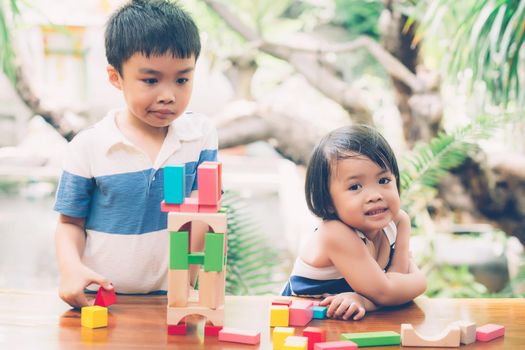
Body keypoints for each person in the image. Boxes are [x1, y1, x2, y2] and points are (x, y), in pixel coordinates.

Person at [54, 0, 217, 308]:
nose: (168, 95)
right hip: (100, 300)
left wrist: (187, 287)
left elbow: (203, 217)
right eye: (151, 80)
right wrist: (70, 270)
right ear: (116, 77)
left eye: (182, 79)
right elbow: (69, 223)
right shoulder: (88, 146)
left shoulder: (201, 136)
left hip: (172, 301)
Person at [282, 125, 426, 320]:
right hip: (305, 324)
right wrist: (418, 279)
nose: (375, 195)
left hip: (356, 324)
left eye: (383, 180)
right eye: (355, 186)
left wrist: (365, 301)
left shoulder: (398, 222)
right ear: (329, 201)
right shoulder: (334, 233)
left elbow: (396, 288)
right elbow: (388, 292)